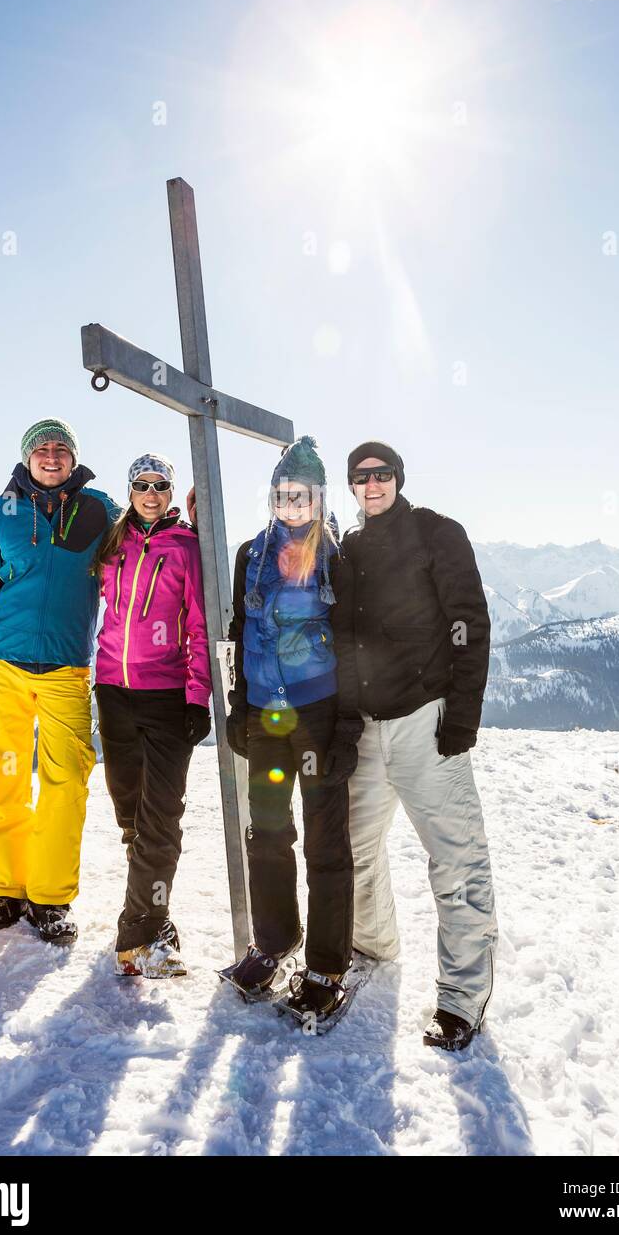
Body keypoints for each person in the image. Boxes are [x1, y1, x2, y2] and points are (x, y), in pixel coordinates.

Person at [339, 440, 497, 1050]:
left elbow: (468, 623)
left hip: (426, 721)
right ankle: (373, 945)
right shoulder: (349, 549)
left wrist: (462, 716)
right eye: (361, 477)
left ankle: (461, 999)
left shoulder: (437, 534)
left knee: (456, 862)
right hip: (367, 729)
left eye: (382, 475)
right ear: (351, 487)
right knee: (352, 848)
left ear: (398, 479)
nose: (372, 484)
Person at [0, 420, 121, 945]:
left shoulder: (100, 509)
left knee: (66, 783)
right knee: (5, 781)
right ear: (26, 458)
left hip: (68, 669)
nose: (51, 456)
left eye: (61, 449)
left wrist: (183, 510)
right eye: (42, 449)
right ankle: (6, 890)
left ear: (74, 458)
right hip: (2, 664)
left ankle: (50, 898)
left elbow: (144, 531)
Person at [223, 436, 359, 1021]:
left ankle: (328, 965)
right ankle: (274, 942)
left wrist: (347, 727)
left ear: (319, 499)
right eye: (283, 493)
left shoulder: (337, 559)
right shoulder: (250, 554)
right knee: (269, 832)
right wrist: (237, 706)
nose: (293, 504)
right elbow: (237, 632)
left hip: (318, 713)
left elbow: (355, 643)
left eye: (303, 495)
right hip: (265, 714)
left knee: (326, 841)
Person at [94, 454, 212, 976]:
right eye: (141, 485)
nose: (150, 493)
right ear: (130, 490)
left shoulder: (186, 547)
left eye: (160, 485)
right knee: (131, 818)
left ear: (170, 491)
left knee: (159, 818)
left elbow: (201, 626)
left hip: (165, 695)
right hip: (113, 692)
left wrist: (197, 695)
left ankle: (138, 934)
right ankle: (156, 915)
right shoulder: (113, 543)